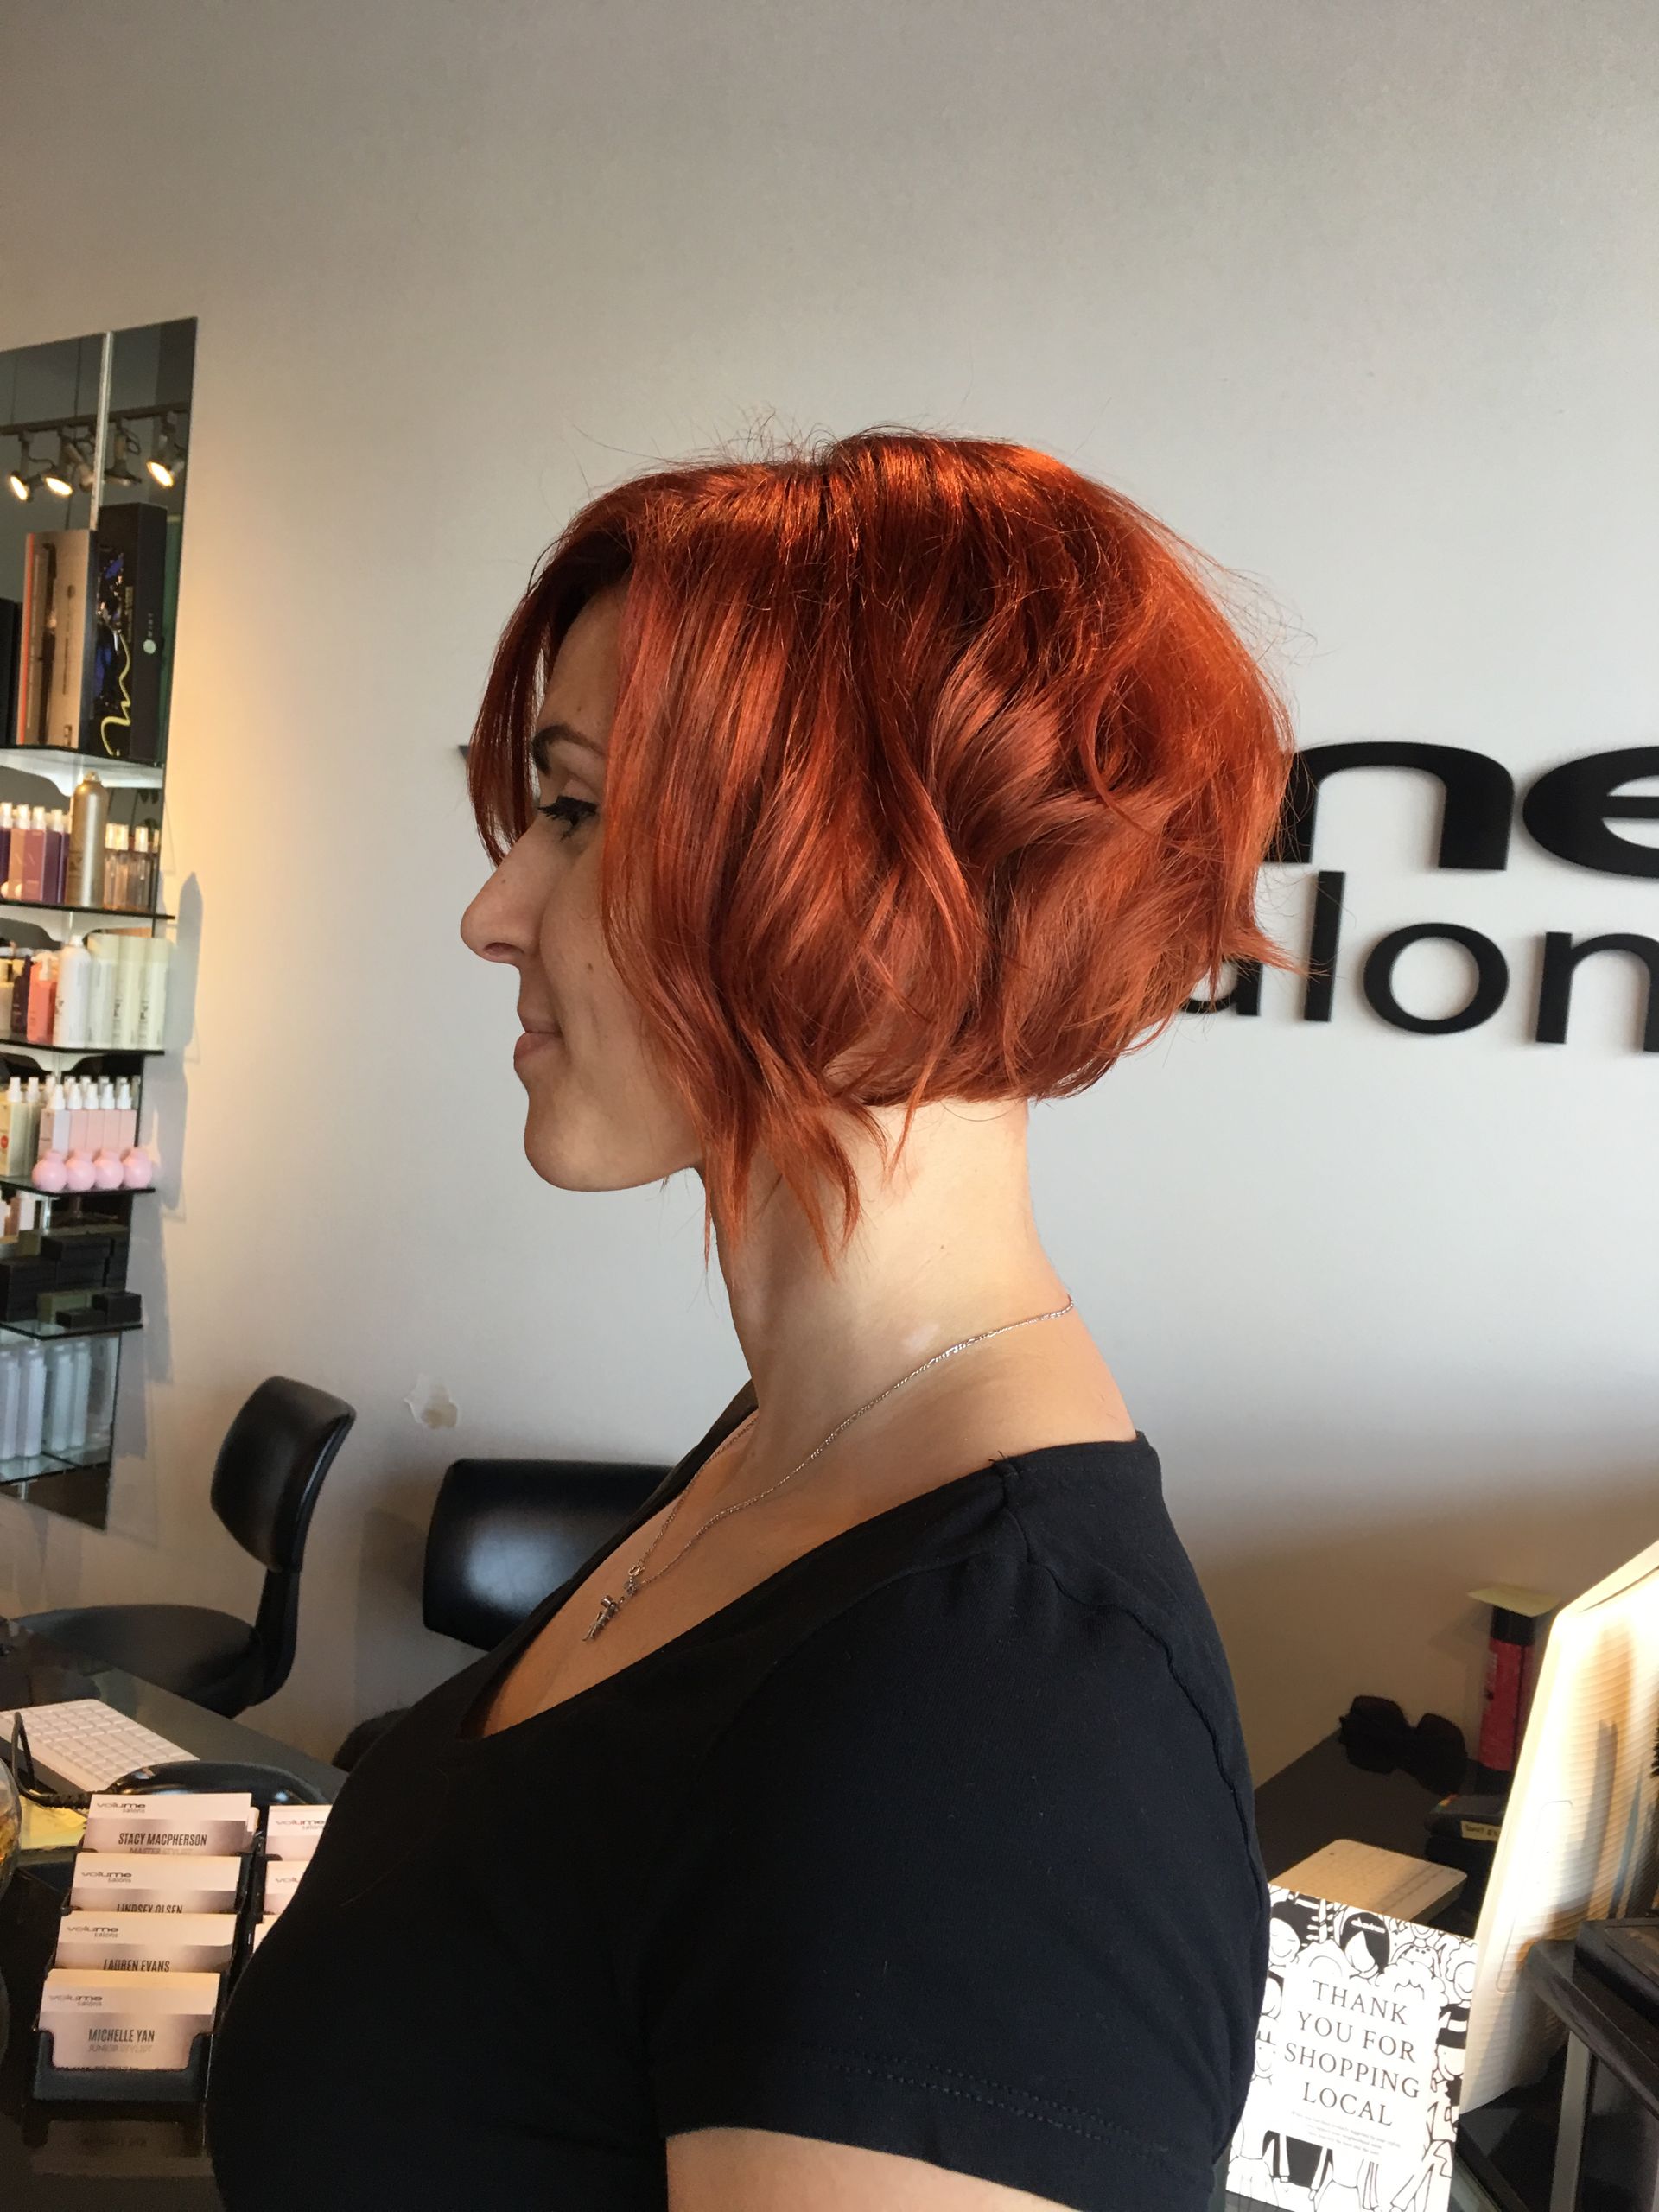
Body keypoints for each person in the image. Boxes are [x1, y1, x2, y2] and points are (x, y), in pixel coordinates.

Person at [207, 429, 1296, 2210]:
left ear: (863, 878)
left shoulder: (1005, 1733)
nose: (493, 912)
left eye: (571, 812)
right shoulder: (799, 1452)